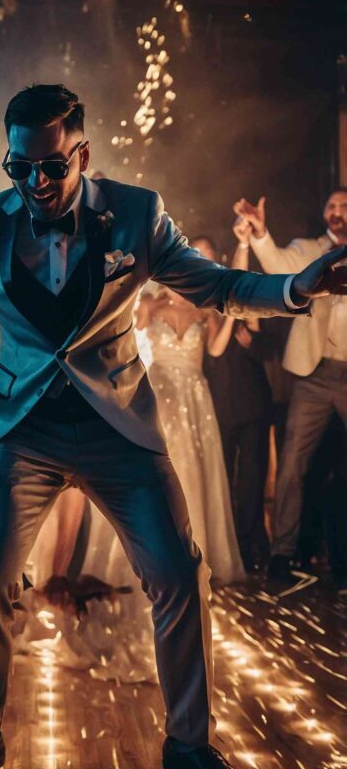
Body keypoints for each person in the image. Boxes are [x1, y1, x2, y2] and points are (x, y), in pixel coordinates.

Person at [0, 84, 347, 769]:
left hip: (118, 427)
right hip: (22, 430)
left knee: (178, 573)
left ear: (83, 154)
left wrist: (295, 287)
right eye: (20, 168)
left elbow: (216, 286)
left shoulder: (136, 212)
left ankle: (190, 743)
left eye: (51, 168)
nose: (35, 183)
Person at [234, 190, 347, 589]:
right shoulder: (312, 249)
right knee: (292, 463)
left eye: (344, 206)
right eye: (331, 206)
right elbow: (279, 266)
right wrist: (261, 235)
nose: (336, 212)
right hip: (313, 374)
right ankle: (282, 554)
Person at [135, 250, 245, 584]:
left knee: (195, 470)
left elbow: (215, 349)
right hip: (158, 391)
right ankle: (156, 556)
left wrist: (234, 315)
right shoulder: (151, 304)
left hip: (195, 396)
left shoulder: (204, 311)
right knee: (163, 466)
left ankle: (192, 555)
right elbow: (130, 330)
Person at [197, 228, 272, 572]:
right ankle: (229, 547)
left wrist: (251, 341)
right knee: (221, 478)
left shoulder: (238, 290)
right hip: (212, 404)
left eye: (208, 253)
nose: (204, 260)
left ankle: (253, 543)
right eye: (196, 254)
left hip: (251, 401)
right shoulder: (195, 299)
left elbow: (265, 347)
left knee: (252, 480)